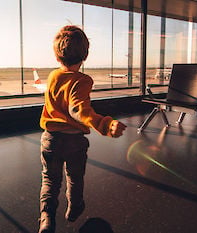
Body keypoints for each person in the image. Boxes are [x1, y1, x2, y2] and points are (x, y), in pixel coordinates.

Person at [38, 25, 127, 233]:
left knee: (50, 180)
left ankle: (46, 218)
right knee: (75, 178)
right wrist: (105, 124)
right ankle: (74, 207)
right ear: (85, 55)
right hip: (74, 141)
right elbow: (77, 109)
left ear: (57, 55)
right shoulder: (82, 80)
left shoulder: (52, 76)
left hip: (50, 138)